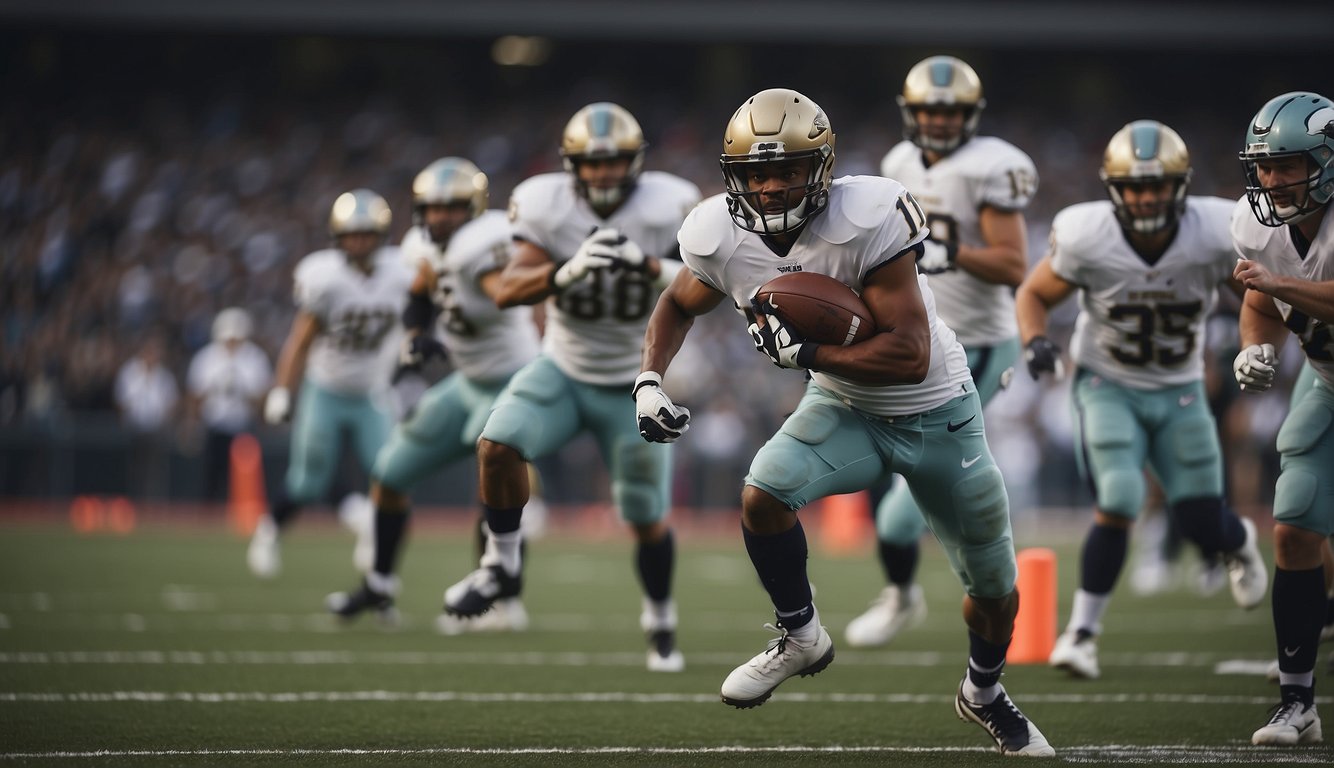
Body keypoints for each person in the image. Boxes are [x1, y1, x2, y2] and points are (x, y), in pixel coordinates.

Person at [636, 87, 1053, 756]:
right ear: (733, 177)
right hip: (844, 406)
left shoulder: (869, 216)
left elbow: (911, 355)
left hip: (938, 414)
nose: (772, 187)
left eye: (789, 170)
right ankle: (801, 635)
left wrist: (811, 353)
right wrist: (650, 380)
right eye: (757, 173)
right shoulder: (718, 234)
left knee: (997, 593)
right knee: (763, 495)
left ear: (822, 169)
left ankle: (983, 691)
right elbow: (677, 305)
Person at [438, 103, 701, 672]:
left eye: (615, 162)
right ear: (571, 166)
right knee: (497, 444)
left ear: (636, 163)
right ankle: (500, 563)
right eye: (593, 163)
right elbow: (507, 290)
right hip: (562, 367)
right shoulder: (543, 202)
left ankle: (660, 619)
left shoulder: (671, 202)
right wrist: (563, 271)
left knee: (644, 516)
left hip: (635, 382)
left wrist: (650, 266)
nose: (605, 174)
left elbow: (714, 281)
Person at [1014, 120, 1268, 680]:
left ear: (1181, 185)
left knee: (1202, 519)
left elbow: (1255, 296)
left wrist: (1254, 344)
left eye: (1157, 185)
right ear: (1114, 188)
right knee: (1121, 498)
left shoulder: (1214, 229)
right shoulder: (1087, 234)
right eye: (1134, 186)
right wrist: (1035, 342)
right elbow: (1034, 292)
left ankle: (1238, 540)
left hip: (1178, 387)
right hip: (1108, 382)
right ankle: (1081, 634)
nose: (1146, 197)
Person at [845, 55, 1037, 649]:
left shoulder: (991, 167)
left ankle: (950, 589)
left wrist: (957, 251)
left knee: (905, 506)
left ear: (969, 116)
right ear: (910, 112)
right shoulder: (898, 164)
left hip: (980, 343)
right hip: (918, 340)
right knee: (896, 496)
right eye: (928, 109)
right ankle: (903, 595)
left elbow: (1013, 264)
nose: (938, 121)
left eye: (949, 111)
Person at [324, 158, 541, 631]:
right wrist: (416, 334)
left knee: (494, 485)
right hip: (466, 382)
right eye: (433, 208)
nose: (440, 217)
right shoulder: (424, 245)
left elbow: (502, 291)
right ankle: (380, 585)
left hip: (510, 378)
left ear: (474, 208)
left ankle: (503, 600)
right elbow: (420, 292)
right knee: (390, 472)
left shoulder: (482, 242)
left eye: (451, 208)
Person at [1231, 90, 1334, 746]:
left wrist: (1274, 287)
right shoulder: (1255, 223)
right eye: (1264, 167)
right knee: (1292, 523)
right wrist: (1256, 349)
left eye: (1287, 164)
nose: (1272, 180)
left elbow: (1274, 287)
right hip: (1325, 381)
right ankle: (1298, 702)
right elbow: (1259, 301)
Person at [246, 189, 413, 579]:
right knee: (307, 481)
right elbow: (300, 341)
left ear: (382, 235)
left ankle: (374, 534)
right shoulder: (325, 278)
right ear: (337, 237)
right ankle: (269, 531)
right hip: (327, 388)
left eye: (366, 233)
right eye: (351, 234)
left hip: (372, 390)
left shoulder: (402, 271)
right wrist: (281, 390)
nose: (358, 242)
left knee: (391, 474)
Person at [186, 308, 273, 502]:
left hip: (244, 427)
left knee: (244, 479)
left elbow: (262, 397)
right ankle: (208, 519)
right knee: (211, 478)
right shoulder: (206, 358)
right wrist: (193, 423)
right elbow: (195, 395)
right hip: (214, 426)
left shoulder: (255, 358)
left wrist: (242, 391)